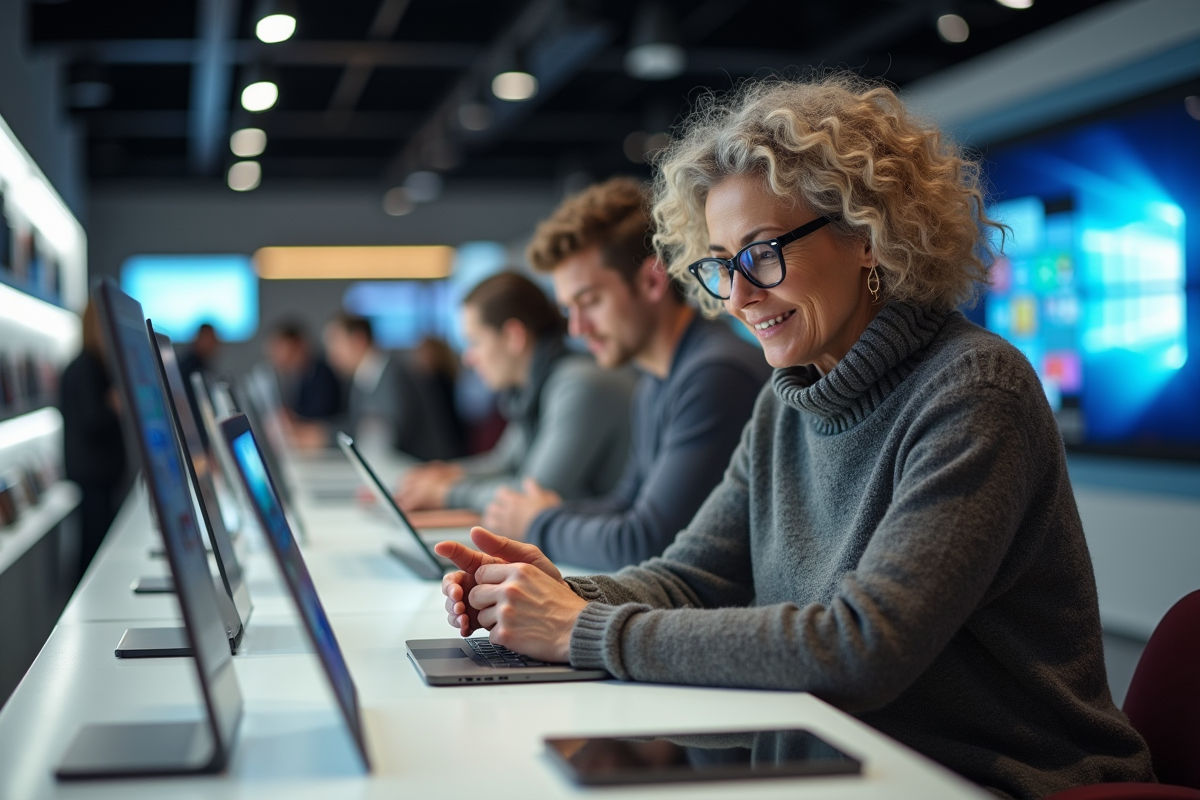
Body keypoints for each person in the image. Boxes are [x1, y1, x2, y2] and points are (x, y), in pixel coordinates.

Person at [433, 75, 1154, 798]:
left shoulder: (974, 389)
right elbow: (691, 579)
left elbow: (861, 647)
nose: (739, 295)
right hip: (850, 767)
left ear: (867, 236)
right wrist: (554, 593)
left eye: (764, 251)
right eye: (721, 263)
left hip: (996, 781)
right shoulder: (790, 401)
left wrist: (578, 629)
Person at [481, 177, 771, 570]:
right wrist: (543, 516)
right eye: (569, 310)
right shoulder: (655, 381)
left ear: (651, 281)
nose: (577, 329)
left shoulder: (715, 375)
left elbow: (645, 542)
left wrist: (538, 522)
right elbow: (627, 506)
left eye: (591, 302)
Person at [397, 272, 635, 513]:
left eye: (475, 341)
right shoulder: (536, 386)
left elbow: (531, 497)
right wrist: (449, 474)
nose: (468, 359)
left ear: (513, 336)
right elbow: (506, 464)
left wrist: (447, 494)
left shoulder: (580, 385)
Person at [323, 313, 461, 461]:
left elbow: (388, 433)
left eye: (336, 345)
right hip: (401, 468)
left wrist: (326, 436)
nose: (332, 357)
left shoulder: (394, 375)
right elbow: (357, 422)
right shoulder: (361, 379)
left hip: (428, 467)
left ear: (358, 340)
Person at [59, 300, 128, 578]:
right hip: (92, 474)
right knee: (93, 546)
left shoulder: (93, 365)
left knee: (95, 542)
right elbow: (92, 419)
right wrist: (113, 404)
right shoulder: (86, 367)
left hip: (98, 473)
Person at [265, 319, 343, 421]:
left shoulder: (324, 376)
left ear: (298, 345)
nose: (277, 358)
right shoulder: (300, 379)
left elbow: (320, 420)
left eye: (279, 349)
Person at [177, 321, 220, 447]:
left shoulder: (203, 365)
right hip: (192, 435)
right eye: (211, 339)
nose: (215, 344)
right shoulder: (189, 367)